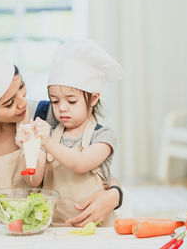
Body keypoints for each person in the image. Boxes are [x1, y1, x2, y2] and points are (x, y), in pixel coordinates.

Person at [0, 37, 123, 228]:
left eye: (21, 87)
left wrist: (115, 195)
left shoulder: (50, 116)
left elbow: (95, 169)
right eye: (10, 103)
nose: (22, 103)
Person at [16, 40, 122, 226]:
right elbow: (33, 180)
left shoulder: (103, 136)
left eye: (71, 101)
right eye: (55, 101)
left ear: (94, 98)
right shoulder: (50, 134)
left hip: (96, 229)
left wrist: (46, 142)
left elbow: (80, 163)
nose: (62, 108)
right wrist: (28, 149)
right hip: (55, 227)